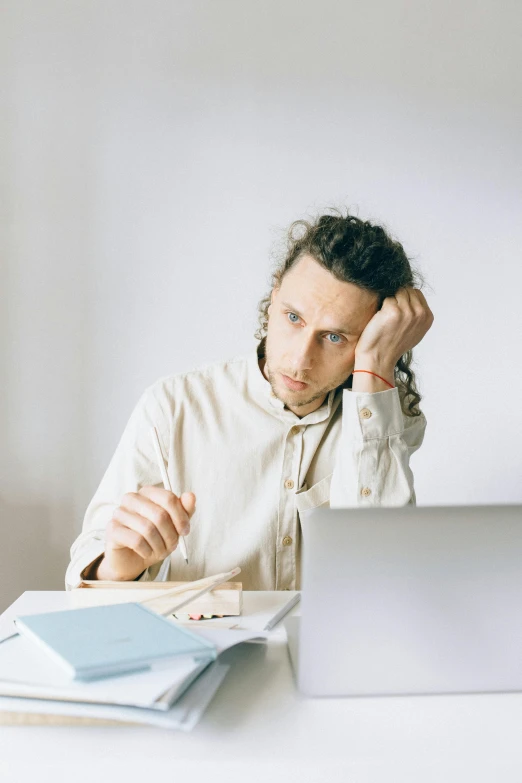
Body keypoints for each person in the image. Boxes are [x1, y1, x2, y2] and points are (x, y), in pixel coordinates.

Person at [65, 210, 434, 591]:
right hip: (209, 645)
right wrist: (118, 566)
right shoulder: (173, 406)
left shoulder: (384, 417)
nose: (299, 359)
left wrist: (375, 365)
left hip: (333, 646)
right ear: (274, 298)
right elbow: (84, 571)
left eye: (335, 337)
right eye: (293, 317)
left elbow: (380, 571)